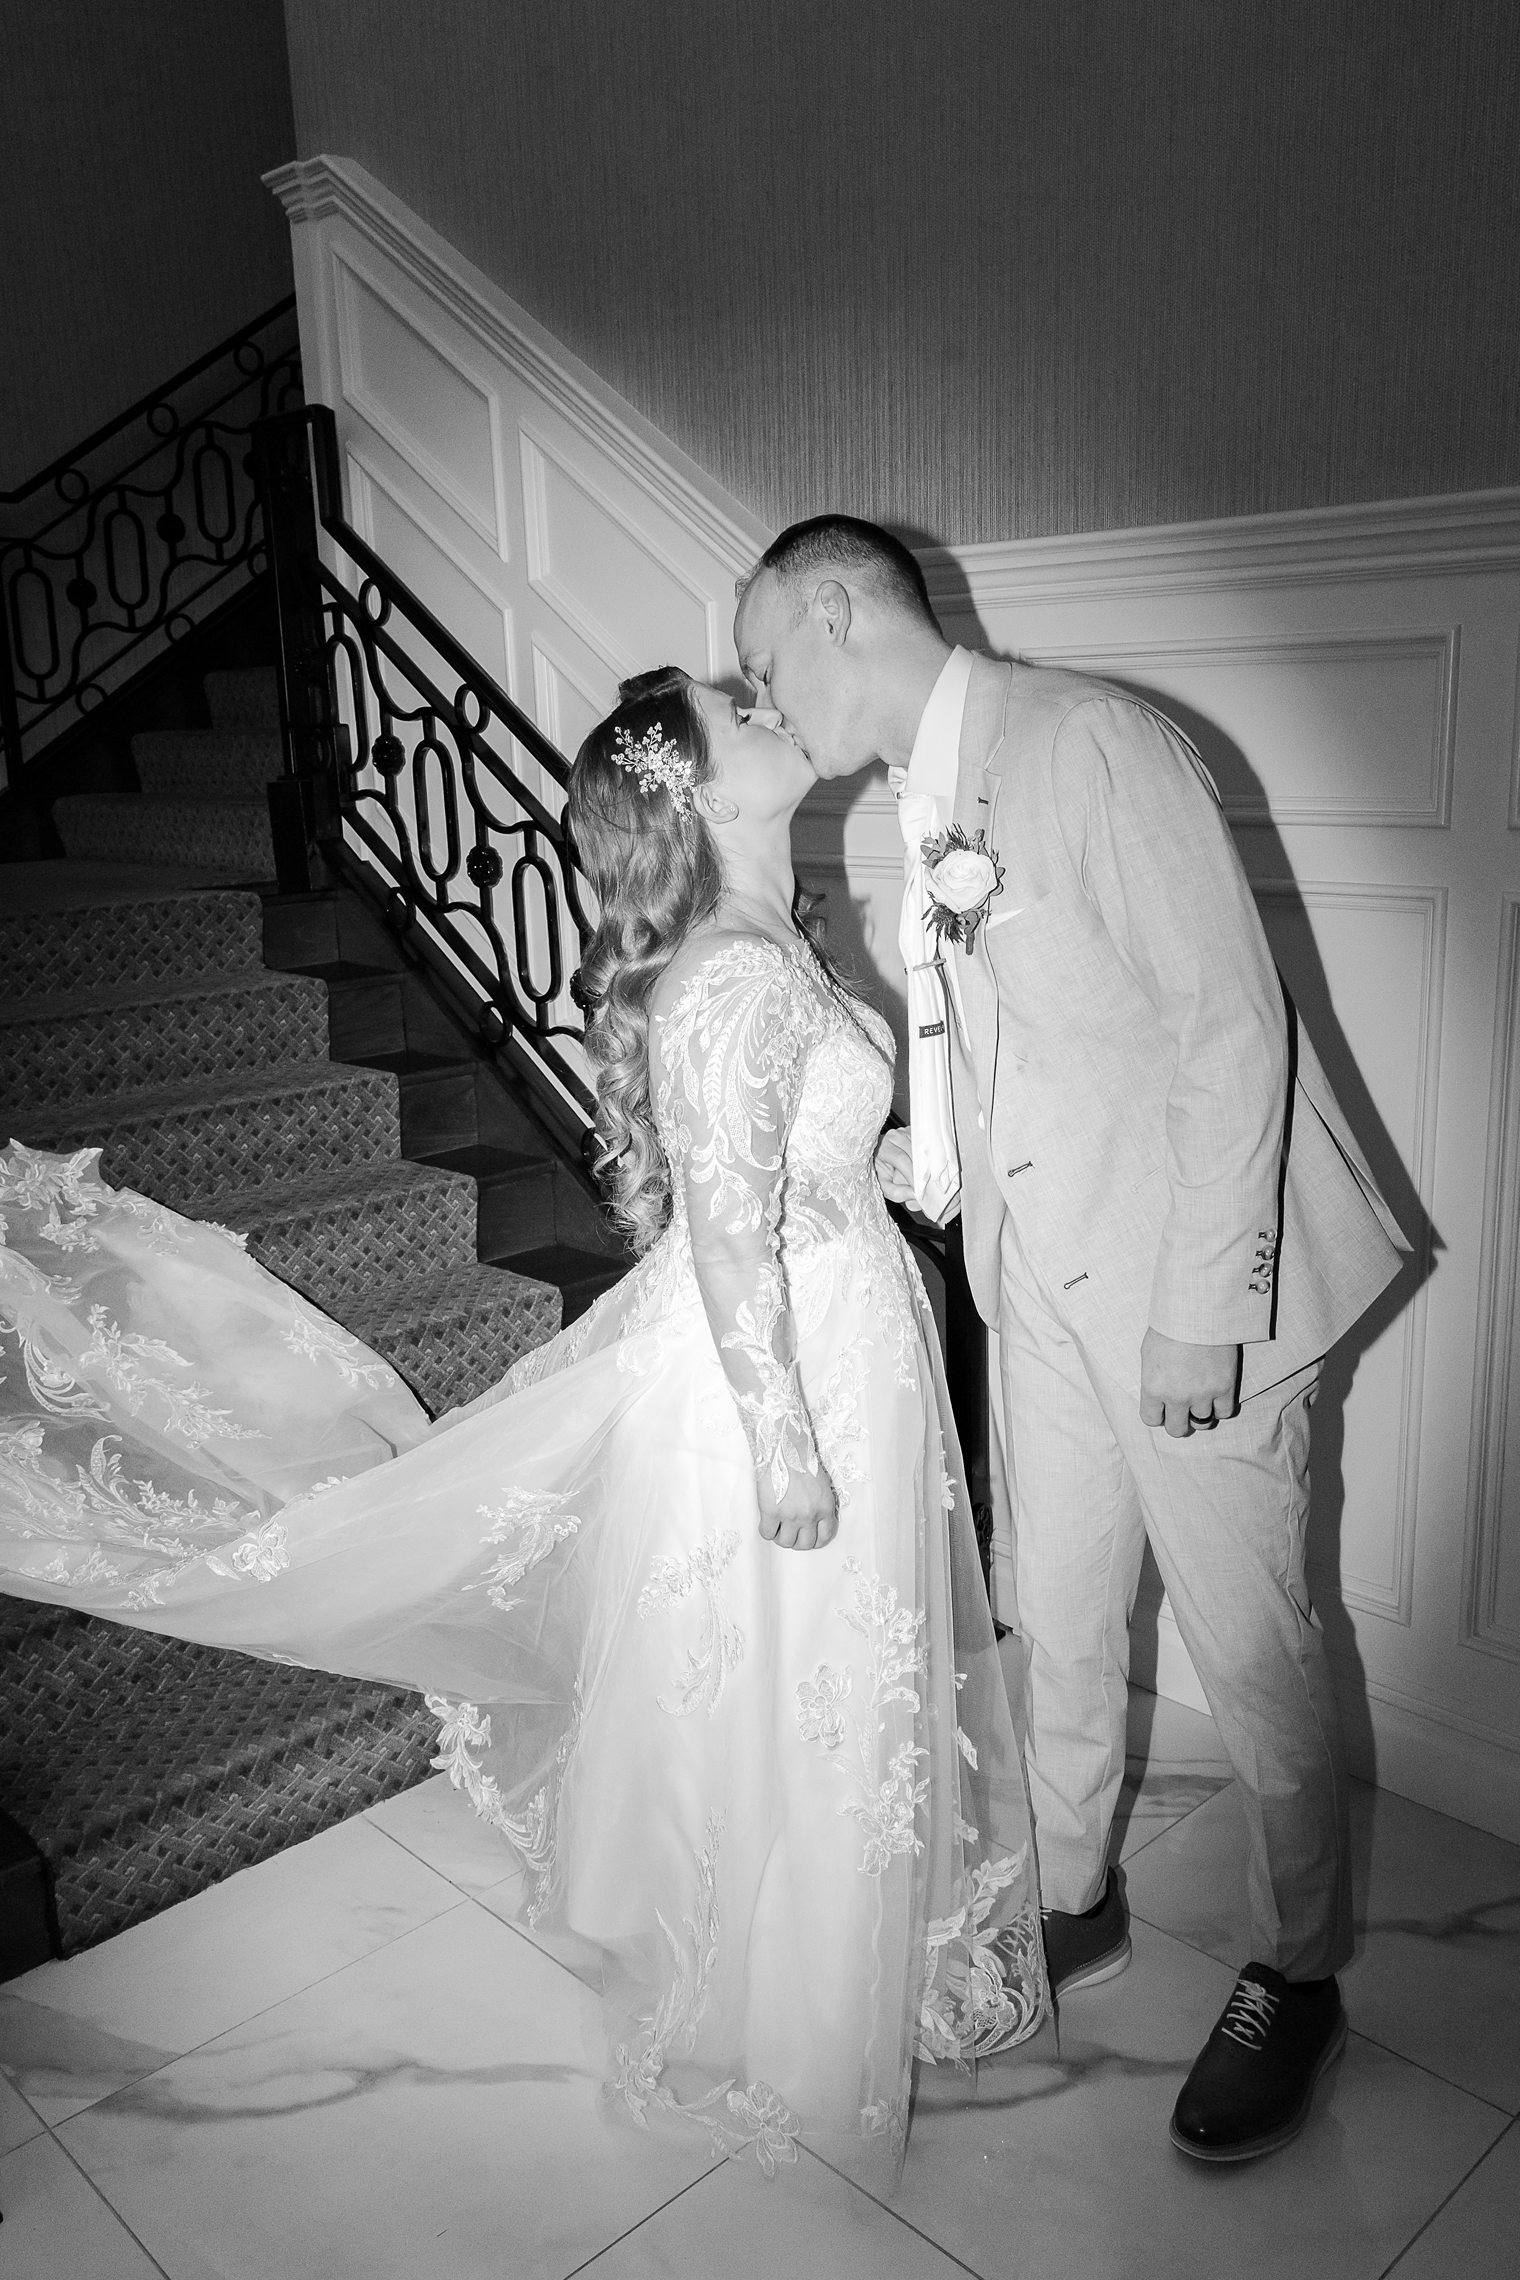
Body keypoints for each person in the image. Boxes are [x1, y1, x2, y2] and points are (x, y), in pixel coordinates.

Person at [0, 666, 1046, 2183]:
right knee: (798, 1659)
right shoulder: (727, 977)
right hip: (783, 1373)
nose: (773, 711)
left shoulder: (776, 939)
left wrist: (893, 1171)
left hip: (833, 1332)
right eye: (741, 709)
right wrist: (786, 1442)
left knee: (829, 1658)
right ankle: (787, 1998)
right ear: (693, 785)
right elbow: (734, 1234)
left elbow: (780, 1168)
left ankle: (835, 1948)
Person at [734, 516, 1406, 2163]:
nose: (765, 697)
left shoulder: (1095, 742)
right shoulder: (919, 807)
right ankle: (1076, 1895)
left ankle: (1297, 1970)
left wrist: (1204, 1306)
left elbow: (1233, 1029)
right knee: (1063, 1613)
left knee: (1254, 1650)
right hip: (1037, 1285)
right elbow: (1016, 1058)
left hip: (1191, 1303)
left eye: (767, 663)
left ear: (838, 609)